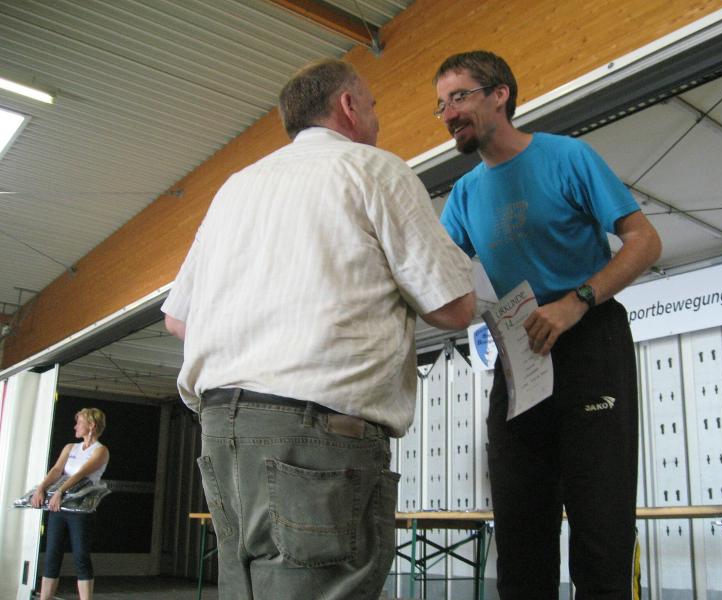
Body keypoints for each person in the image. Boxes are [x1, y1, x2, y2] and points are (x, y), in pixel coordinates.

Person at [162, 58, 475, 600]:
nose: (376, 119)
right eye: (373, 106)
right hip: (315, 434)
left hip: (221, 429)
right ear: (348, 105)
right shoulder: (373, 169)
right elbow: (453, 308)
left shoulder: (236, 187)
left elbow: (177, 319)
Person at [433, 51, 662, 599]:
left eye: (460, 96)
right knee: (519, 538)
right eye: (440, 105)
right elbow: (436, 277)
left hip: (590, 337)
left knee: (601, 530)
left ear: (500, 94)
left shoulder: (567, 157)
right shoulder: (465, 194)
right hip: (522, 353)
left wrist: (578, 301)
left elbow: (645, 241)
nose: (448, 113)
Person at [31, 408, 110, 600]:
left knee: (81, 556)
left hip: (81, 510)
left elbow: (81, 474)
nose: (75, 426)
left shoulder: (100, 451)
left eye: (79, 422)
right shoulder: (70, 447)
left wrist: (60, 491)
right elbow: (57, 469)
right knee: (52, 554)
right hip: (59, 507)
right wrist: (41, 488)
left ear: (91, 425)